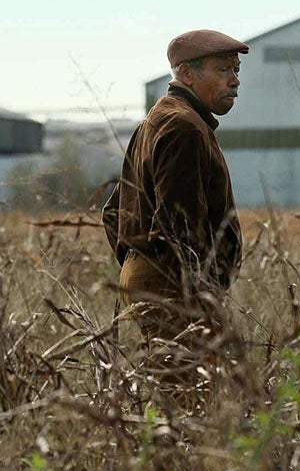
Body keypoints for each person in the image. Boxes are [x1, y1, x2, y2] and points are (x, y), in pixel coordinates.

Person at [102, 29, 248, 386]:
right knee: (189, 400)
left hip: (155, 276)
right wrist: (196, 291)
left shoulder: (160, 118)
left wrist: (137, 264)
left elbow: (112, 212)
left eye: (236, 70)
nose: (235, 81)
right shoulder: (184, 126)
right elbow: (181, 226)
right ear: (186, 75)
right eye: (223, 70)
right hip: (174, 282)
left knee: (177, 393)